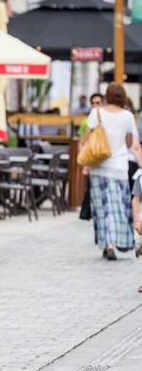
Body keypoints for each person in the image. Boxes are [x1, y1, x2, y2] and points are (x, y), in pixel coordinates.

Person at [86, 82, 135, 260]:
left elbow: (86, 138)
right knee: (117, 207)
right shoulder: (128, 116)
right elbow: (131, 144)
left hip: (99, 167)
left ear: (106, 95)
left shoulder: (96, 112)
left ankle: (108, 243)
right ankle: (113, 243)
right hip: (120, 167)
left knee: (102, 208)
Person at [78, 93, 104, 221]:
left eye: (98, 103)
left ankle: (88, 212)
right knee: (92, 185)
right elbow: (82, 141)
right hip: (92, 157)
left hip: (103, 157)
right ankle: (87, 212)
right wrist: (84, 161)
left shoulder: (106, 118)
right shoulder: (86, 122)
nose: (95, 106)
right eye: (93, 103)